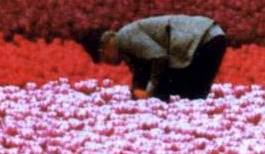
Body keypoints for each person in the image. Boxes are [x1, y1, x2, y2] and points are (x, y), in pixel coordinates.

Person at [79, 15, 227, 101]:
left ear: (103, 49)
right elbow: (143, 70)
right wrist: (140, 89)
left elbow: (159, 57)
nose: (109, 63)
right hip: (210, 37)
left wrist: (149, 91)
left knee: (190, 96)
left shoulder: (125, 37)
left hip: (204, 40)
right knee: (187, 95)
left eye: (103, 58)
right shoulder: (127, 46)